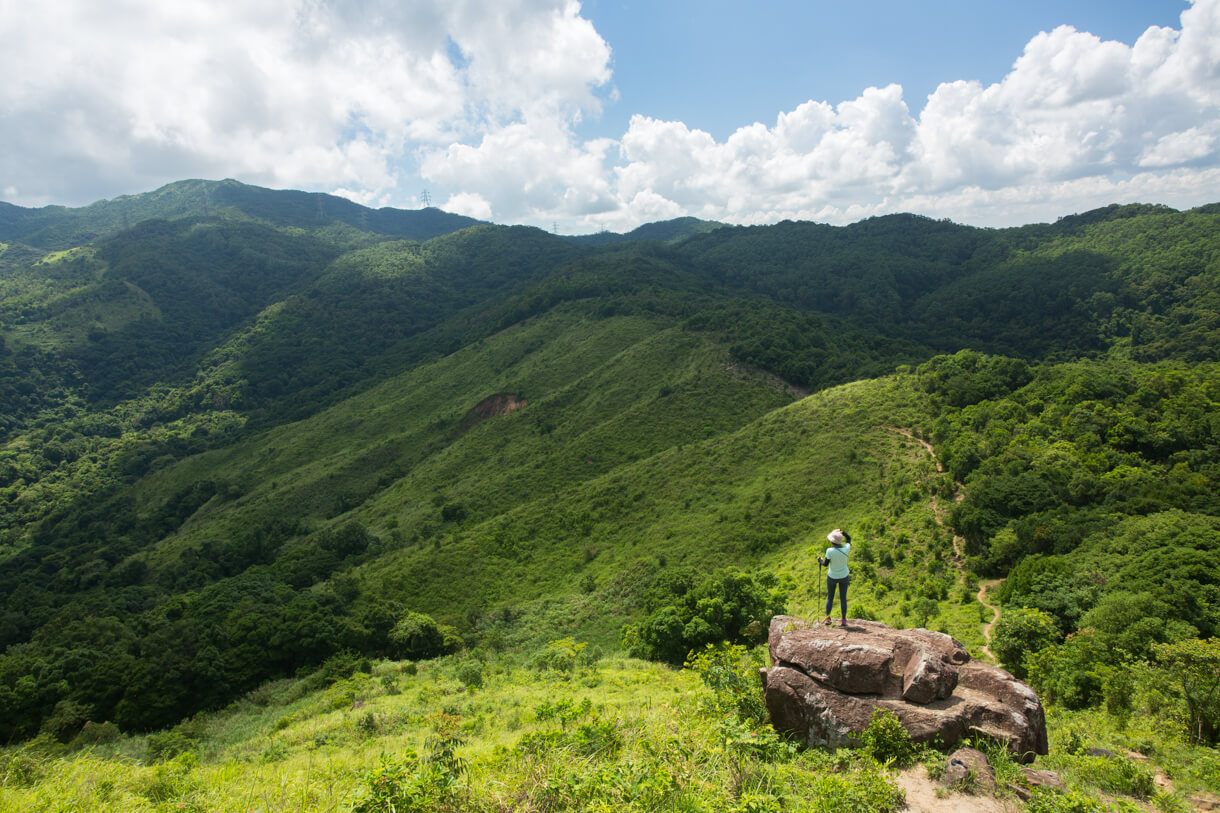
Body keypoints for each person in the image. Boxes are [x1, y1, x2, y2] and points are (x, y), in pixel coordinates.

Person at [819, 528, 852, 626]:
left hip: (832, 577)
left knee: (830, 598)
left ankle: (828, 619)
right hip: (844, 576)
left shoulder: (829, 551)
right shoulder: (846, 548)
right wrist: (842, 532)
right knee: (843, 598)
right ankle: (843, 620)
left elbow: (825, 564)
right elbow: (849, 539)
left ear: (832, 541)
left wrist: (820, 560)